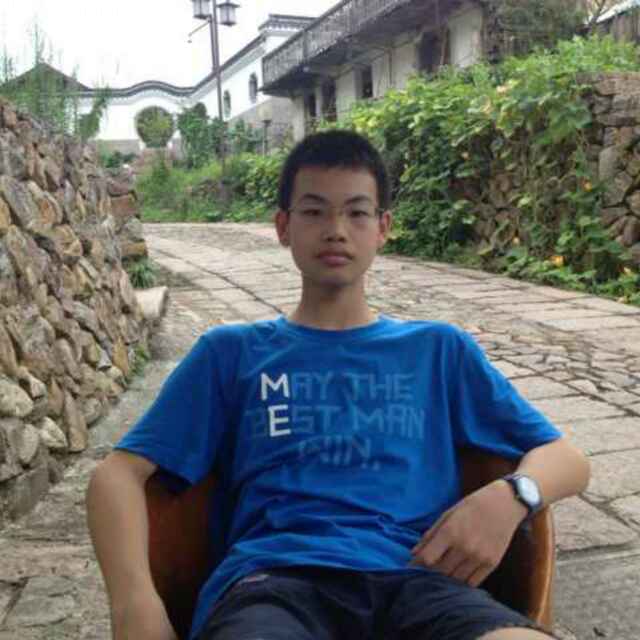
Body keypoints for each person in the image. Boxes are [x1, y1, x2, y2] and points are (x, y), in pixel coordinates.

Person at [86, 130, 590, 640]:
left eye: (357, 212)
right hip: (274, 586)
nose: (336, 230)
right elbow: (116, 476)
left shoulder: (438, 350)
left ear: (383, 228)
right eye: (313, 211)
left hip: (421, 583)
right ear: (283, 227)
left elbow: (567, 458)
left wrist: (510, 496)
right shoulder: (231, 353)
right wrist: (134, 604)